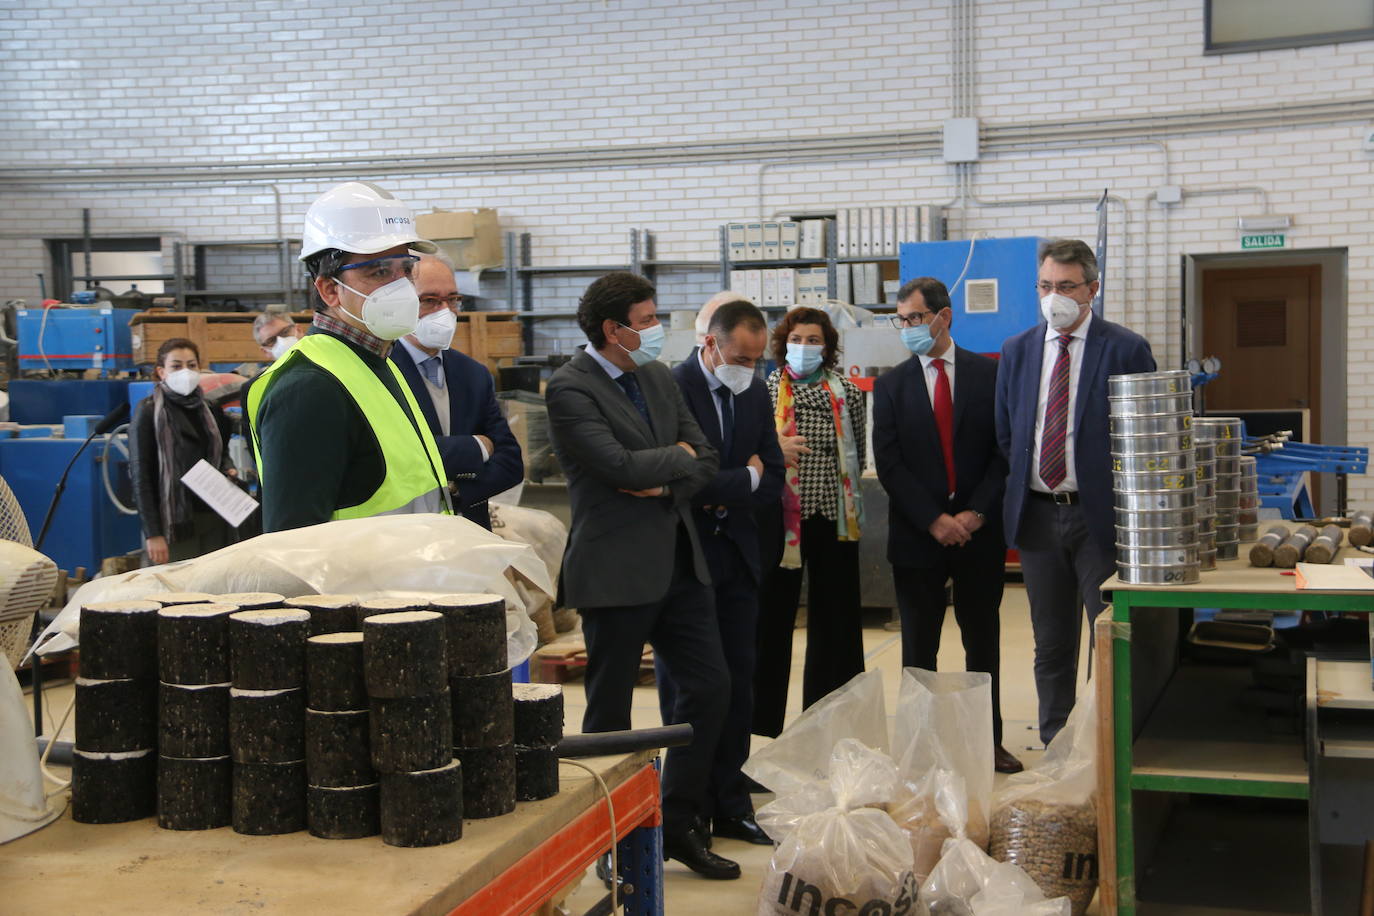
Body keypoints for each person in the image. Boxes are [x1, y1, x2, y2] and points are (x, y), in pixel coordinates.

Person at [545, 271, 736, 880]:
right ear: (613, 329)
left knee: (710, 690)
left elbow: (704, 456)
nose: (657, 330)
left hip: (681, 563)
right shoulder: (569, 389)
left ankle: (678, 823)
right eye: (648, 320)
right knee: (611, 715)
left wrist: (662, 472)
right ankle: (611, 841)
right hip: (616, 569)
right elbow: (613, 464)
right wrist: (665, 463)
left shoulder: (655, 375)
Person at [995, 239, 1156, 744]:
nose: (1054, 296)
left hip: (1100, 518)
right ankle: (1056, 745)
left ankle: (1106, 748)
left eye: (1066, 286)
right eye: (1045, 285)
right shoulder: (1019, 350)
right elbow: (1008, 432)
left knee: (1108, 637)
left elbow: (1146, 438)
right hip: (1040, 517)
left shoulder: (1126, 348)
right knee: (1052, 642)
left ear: (1092, 288)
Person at [873, 277, 1022, 774]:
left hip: (979, 533)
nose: (908, 328)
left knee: (983, 642)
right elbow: (889, 463)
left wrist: (975, 513)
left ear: (944, 316)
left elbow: (1004, 452)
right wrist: (933, 519)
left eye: (916, 318)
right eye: (902, 320)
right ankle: (920, 749)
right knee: (919, 646)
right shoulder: (892, 385)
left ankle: (989, 743)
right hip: (918, 537)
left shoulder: (989, 375)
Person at [246, 181, 451, 532]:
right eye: (379, 271)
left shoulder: (379, 361)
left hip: (419, 581)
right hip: (367, 588)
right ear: (329, 289)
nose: (401, 286)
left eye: (405, 269)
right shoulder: (308, 389)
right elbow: (292, 546)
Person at [661, 298, 783, 845]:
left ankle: (730, 801)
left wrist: (743, 482)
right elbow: (686, 479)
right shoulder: (670, 388)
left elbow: (774, 470)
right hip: (686, 559)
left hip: (738, 555)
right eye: (741, 356)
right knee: (690, 690)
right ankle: (685, 811)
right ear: (710, 343)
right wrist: (745, 481)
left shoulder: (754, 391)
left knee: (737, 683)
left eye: (758, 359)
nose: (749, 368)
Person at [753, 306, 867, 738]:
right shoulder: (764, 391)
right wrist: (773, 446)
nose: (804, 347)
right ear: (784, 344)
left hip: (835, 520)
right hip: (782, 524)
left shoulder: (849, 393)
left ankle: (829, 728)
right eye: (796, 339)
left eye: (813, 340)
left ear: (828, 346)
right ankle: (760, 729)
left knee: (836, 623)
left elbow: (854, 449)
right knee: (771, 623)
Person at [388, 251, 523, 530]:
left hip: (470, 531)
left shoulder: (473, 374)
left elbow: (510, 463)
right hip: (405, 535)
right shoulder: (380, 371)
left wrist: (455, 489)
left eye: (452, 299)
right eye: (430, 301)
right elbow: (396, 458)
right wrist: (476, 446)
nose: (445, 312)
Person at [129, 338, 235, 564]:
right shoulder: (148, 412)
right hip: (174, 525)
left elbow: (221, 452)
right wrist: (153, 533)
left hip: (214, 517)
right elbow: (141, 476)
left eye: (191, 365)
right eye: (176, 366)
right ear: (161, 372)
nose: (185, 371)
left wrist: (229, 467)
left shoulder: (211, 411)